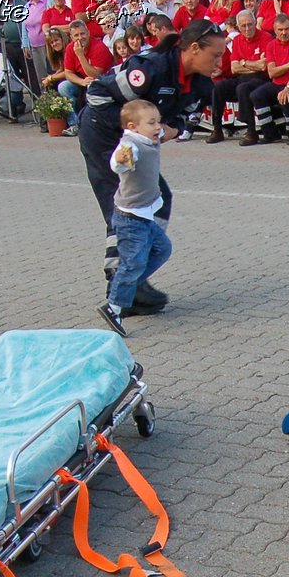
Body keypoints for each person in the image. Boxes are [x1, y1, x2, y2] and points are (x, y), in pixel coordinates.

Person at [77, 18, 223, 295]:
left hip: (136, 142)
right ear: (193, 48)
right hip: (104, 134)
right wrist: (134, 131)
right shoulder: (152, 68)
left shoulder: (202, 85)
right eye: (215, 55)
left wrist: (172, 128)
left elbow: (183, 118)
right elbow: (97, 94)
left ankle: (134, 275)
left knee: (159, 199)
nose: (219, 63)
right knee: (124, 207)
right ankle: (121, 284)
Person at [95, 99, 173, 339]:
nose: (157, 126)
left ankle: (127, 284)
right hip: (130, 219)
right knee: (133, 264)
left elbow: (162, 134)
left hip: (144, 215)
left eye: (158, 121)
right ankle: (114, 306)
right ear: (133, 126)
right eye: (151, 122)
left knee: (162, 249)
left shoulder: (148, 139)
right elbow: (118, 162)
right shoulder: (131, 145)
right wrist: (120, 160)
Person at [243, 14, 289, 145]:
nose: (284, 33)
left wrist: (288, 88)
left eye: (287, 29)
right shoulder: (271, 45)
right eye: (280, 30)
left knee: (286, 97)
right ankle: (270, 133)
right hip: (277, 83)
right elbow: (271, 72)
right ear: (275, 30)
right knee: (256, 95)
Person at [206, 9, 267, 144]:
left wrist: (243, 62)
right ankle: (217, 129)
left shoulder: (265, 37)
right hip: (240, 77)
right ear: (238, 27)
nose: (247, 28)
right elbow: (234, 68)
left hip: (260, 78)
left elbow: (263, 66)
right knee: (219, 87)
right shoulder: (238, 40)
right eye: (243, 26)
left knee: (243, 88)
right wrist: (253, 64)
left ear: (255, 23)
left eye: (250, 24)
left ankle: (251, 132)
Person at [59, 17, 114, 113]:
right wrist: (81, 82)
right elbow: (68, 73)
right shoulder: (70, 48)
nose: (80, 38)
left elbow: (95, 75)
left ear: (88, 33)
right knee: (63, 87)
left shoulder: (99, 47)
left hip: (103, 82)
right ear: (71, 38)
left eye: (82, 33)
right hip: (84, 81)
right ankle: (75, 122)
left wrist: (80, 55)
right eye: (76, 35)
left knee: (91, 86)